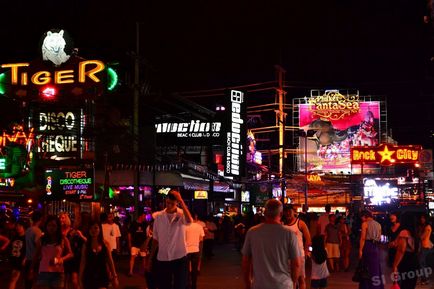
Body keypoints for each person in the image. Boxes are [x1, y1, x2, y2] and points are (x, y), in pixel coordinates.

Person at [242, 199, 301, 289]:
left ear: (264, 213)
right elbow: (296, 263)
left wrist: (248, 284)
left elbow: (246, 262)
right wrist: (293, 282)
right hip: (283, 285)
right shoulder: (289, 233)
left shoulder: (252, 232)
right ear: (281, 214)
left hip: (260, 285)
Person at [147, 190, 193, 289]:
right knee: (164, 285)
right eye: (168, 202)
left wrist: (181, 200)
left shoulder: (181, 214)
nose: (170, 205)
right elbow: (155, 239)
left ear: (177, 203)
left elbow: (190, 221)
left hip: (179, 256)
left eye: (173, 203)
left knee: (180, 286)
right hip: (163, 257)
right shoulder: (159, 217)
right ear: (165, 201)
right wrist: (150, 259)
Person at [33, 215, 73, 289]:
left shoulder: (62, 239)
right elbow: (36, 254)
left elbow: (70, 254)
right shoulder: (42, 239)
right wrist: (32, 269)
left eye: (54, 226)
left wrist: (61, 259)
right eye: (49, 225)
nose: (51, 228)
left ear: (58, 227)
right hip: (44, 271)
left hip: (58, 272)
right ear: (46, 226)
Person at [79, 221, 119, 289]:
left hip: (102, 275)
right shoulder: (86, 245)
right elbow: (83, 262)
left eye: (96, 228)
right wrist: (80, 278)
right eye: (91, 228)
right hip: (89, 275)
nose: (93, 230)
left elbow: (110, 261)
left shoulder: (105, 244)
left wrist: (114, 276)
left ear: (100, 229)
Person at [282, 204, 312, 289]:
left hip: (299, 256)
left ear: (294, 212)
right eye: (285, 212)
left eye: (289, 211)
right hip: (286, 257)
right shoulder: (282, 224)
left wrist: (307, 252)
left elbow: (308, 239)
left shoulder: (300, 223)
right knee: (289, 279)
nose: (287, 213)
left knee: (301, 279)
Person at [392, 214, 419, 289]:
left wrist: (395, 265)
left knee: (404, 285)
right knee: (410, 285)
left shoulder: (404, 232)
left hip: (406, 262)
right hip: (414, 261)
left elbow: (401, 250)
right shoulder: (415, 232)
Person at [358, 210, 384, 289]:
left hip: (367, 246)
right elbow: (379, 237)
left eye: (361, 217)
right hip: (375, 247)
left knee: (366, 268)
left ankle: (366, 286)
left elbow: (363, 238)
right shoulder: (378, 224)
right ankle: (376, 286)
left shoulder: (364, 224)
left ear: (364, 216)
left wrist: (360, 250)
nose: (361, 219)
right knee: (375, 268)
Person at [185, 213, 205, 289]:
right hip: (196, 250)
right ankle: (194, 285)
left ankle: (187, 284)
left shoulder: (185, 226)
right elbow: (201, 239)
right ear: (195, 218)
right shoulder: (199, 227)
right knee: (194, 270)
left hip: (186, 251)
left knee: (186, 269)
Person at [24, 211, 42, 289]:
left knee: (28, 283)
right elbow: (38, 246)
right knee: (35, 282)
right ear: (40, 219)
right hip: (35, 260)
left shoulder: (28, 230)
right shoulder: (37, 231)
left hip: (28, 259)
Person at [8, 219, 27, 289]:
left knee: (14, 280)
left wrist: (25, 259)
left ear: (24, 227)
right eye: (17, 226)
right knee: (13, 280)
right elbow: (10, 247)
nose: (18, 227)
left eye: (20, 226)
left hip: (20, 262)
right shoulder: (15, 237)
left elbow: (30, 250)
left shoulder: (26, 238)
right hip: (13, 260)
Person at [127, 212, 148, 276]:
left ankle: (144, 271)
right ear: (140, 216)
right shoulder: (133, 223)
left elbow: (147, 233)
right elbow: (129, 233)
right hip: (135, 243)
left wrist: (146, 244)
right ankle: (130, 271)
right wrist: (129, 242)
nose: (145, 218)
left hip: (143, 244)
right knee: (132, 257)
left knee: (144, 257)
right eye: (144, 216)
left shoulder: (145, 224)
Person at [418, 213, 432, 285]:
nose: (421, 219)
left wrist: (419, 233)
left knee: (422, 263)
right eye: (421, 218)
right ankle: (424, 278)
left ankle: (425, 279)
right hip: (423, 247)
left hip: (425, 247)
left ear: (426, 219)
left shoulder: (428, 227)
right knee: (422, 263)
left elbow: (422, 237)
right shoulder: (423, 226)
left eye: (423, 218)